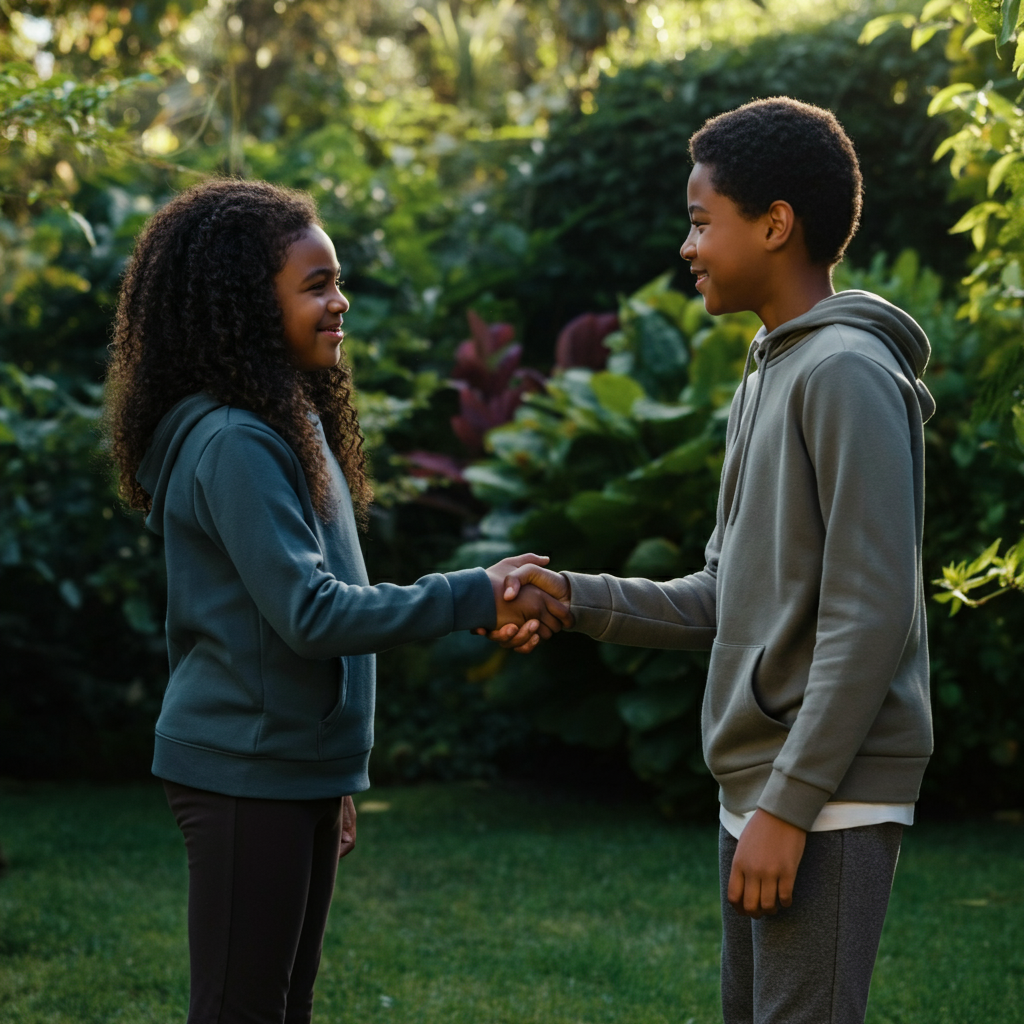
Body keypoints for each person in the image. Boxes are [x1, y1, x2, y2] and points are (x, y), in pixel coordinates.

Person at [486, 97, 935, 1024]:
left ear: (775, 225)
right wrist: (576, 597)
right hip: (764, 787)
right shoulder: (772, 366)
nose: (686, 247)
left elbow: (871, 613)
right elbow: (727, 594)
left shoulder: (844, 372)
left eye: (700, 222)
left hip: (826, 797)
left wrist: (792, 805)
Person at [104, 178, 570, 1024]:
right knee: (241, 1009)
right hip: (246, 769)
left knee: (285, 1004)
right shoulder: (235, 441)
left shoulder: (288, 419)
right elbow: (313, 614)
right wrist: (475, 592)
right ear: (247, 303)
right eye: (315, 285)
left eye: (337, 280)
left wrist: (330, 772)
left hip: (291, 766)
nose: (339, 302)